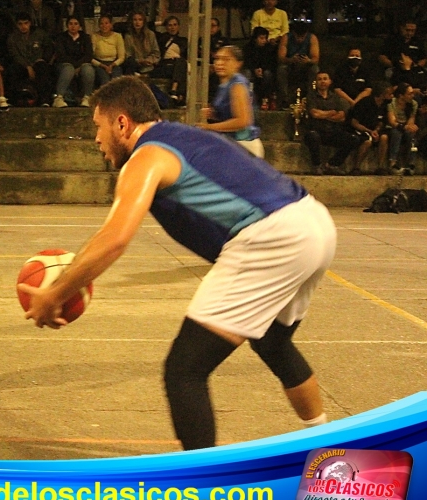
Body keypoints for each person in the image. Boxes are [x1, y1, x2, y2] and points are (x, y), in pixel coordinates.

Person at [19, 76, 335, 451]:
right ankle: (328, 451)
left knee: (184, 370)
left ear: (122, 122)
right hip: (314, 222)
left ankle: (203, 495)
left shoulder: (146, 156)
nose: (96, 140)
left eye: (97, 127)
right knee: (272, 343)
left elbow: (114, 238)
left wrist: (55, 292)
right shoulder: (182, 137)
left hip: (272, 238)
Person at [198, 45, 264, 159]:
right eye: (217, 59)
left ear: (238, 63)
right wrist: (214, 114)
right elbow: (231, 114)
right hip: (230, 145)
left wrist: (209, 127)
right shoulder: (224, 84)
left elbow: (242, 121)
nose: (220, 63)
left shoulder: (237, 85)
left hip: (244, 146)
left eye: (226, 59)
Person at [303, 71, 361, 175]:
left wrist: (323, 115)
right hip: (316, 130)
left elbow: (341, 117)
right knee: (313, 136)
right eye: (319, 79)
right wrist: (331, 113)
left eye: (325, 79)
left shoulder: (336, 98)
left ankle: (332, 164)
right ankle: (317, 165)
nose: (322, 81)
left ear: (330, 82)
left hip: (333, 131)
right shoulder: (311, 96)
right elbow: (314, 114)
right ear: (316, 82)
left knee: (354, 139)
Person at [6, 12, 54, 108]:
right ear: (16, 25)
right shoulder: (12, 38)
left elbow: (49, 47)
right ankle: (13, 99)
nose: (23, 26)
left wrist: (43, 59)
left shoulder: (39, 34)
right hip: (22, 65)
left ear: (30, 23)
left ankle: (44, 100)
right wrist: (27, 66)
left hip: (38, 62)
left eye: (26, 23)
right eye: (20, 24)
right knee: (13, 70)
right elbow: (14, 55)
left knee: (43, 69)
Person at [349, 81, 393, 175]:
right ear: (382, 94)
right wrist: (369, 131)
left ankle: (380, 167)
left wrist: (377, 130)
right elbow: (354, 123)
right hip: (361, 129)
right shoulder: (365, 103)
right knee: (367, 141)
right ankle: (356, 167)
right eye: (389, 93)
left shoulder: (384, 105)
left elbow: (381, 121)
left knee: (384, 137)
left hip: (374, 129)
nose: (392, 96)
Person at [53, 16, 94, 108]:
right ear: (67, 25)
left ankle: (87, 97)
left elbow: (88, 54)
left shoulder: (85, 37)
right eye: (70, 24)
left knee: (88, 69)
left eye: (76, 24)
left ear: (79, 26)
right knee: (68, 69)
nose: (73, 26)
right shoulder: (61, 38)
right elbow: (61, 55)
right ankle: (59, 97)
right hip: (64, 64)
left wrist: (79, 66)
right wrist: (74, 66)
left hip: (82, 64)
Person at [277, 21, 320, 108]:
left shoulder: (312, 38)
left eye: (302, 37)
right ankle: (285, 99)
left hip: (306, 65)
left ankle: (311, 98)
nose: (300, 39)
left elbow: (315, 59)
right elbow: (281, 58)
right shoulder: (286, 37)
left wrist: (308, 60)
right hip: (290, 65)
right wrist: (290, 59)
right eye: (298, 37)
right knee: (281, 69)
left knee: (315, 69)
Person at [151, 15, 188, 106]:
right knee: (181, 64)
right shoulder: (161, 37)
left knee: (182, 62)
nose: (172, 27)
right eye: (169, 25)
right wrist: (161, 23)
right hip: (163, 66)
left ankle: (174, 91)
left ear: (178, 26)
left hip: (176, 65)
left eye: (175, 25)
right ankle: (178, 94)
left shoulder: (183, 40)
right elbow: (147, 26)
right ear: (166, 27)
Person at [387, 82, 419, 175]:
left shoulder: (413, 104)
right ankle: (392, 163)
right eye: (409, 94)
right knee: (396, 133)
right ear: (401, 95)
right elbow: (392, 121)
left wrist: (410, 127)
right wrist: (404, 126)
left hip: (405, 127)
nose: (412, 96)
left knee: (412, 134)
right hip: (393, 127)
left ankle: (410, 164)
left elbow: (411, 120)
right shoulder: (392, 103)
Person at [242, 26, 277, 107]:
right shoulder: (247, 48)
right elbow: (246, 61)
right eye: (261, 38)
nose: (264, 40)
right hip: (251, 70)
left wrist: (262, 69)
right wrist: (254, 69)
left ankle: (266, 98)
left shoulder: (269, 48)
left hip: (264, 71)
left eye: (265, 38)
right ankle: (246, 98)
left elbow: (271, 62)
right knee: (247, 73)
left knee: (268, 74)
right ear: (255, 38)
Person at [91, 14, 125, 89]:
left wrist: (112, 65)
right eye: (101, 23)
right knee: (105, 81)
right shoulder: (94, 36)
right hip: (100, 64)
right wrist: (103, 66)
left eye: (106, 23)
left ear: (110, 24)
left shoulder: (117, 36)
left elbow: (122, 57)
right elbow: (90, 56)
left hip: (114, 63)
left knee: (116, 81)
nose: (104, 26)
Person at [123, 8, 160, 76]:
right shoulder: (128, 36)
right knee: (130, 63)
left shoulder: (150, 34)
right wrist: (139, 61)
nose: (137, 22)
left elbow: (156, 53)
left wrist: (148, 60)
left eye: (140, 20)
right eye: (135, 20)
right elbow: (128, 55)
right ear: (132, 21)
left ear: (144, 21)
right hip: (134, 65)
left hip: (149, 65)